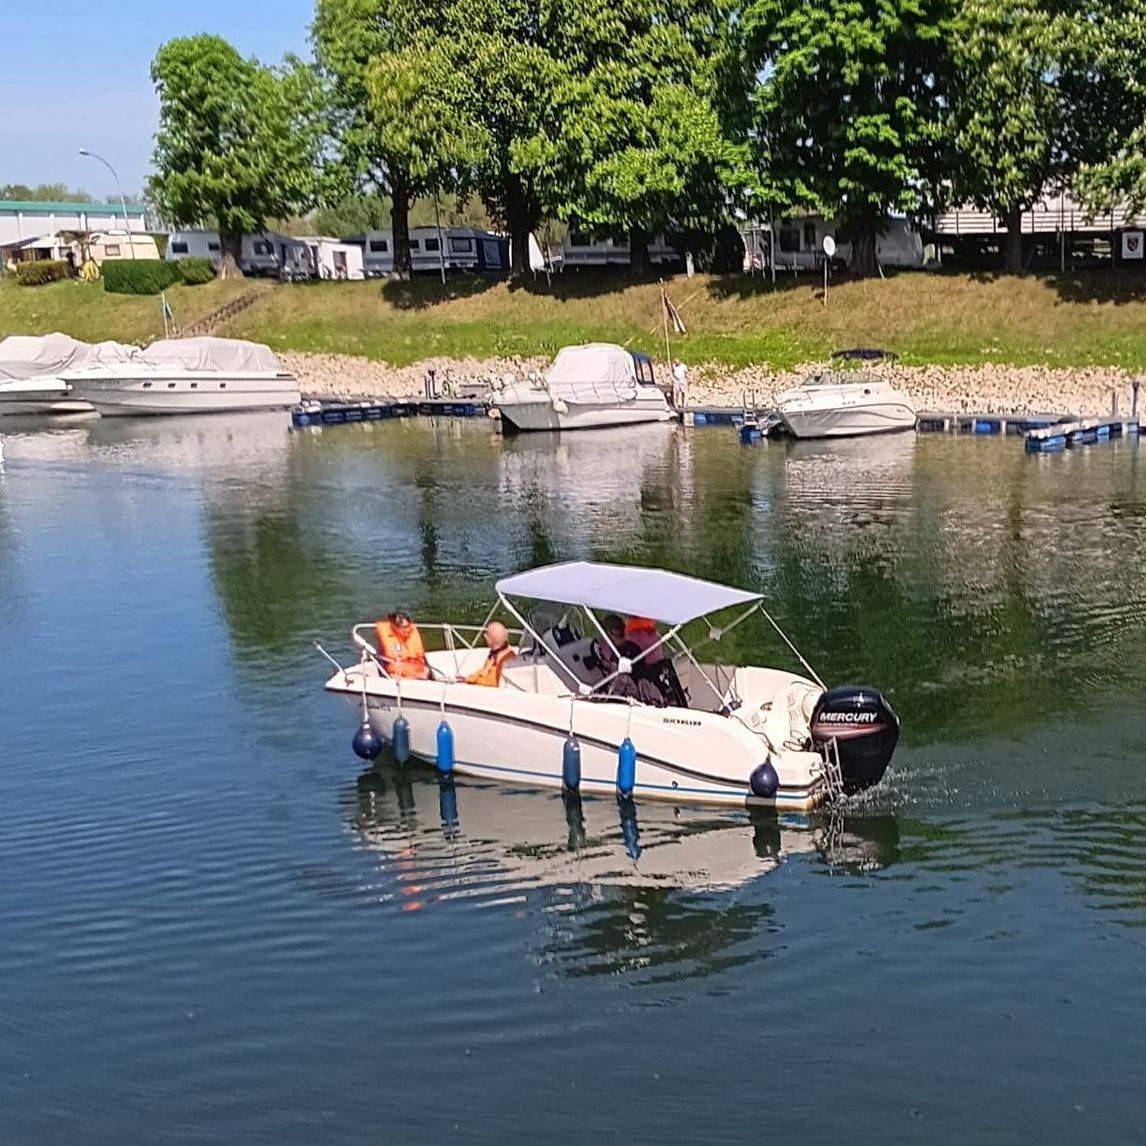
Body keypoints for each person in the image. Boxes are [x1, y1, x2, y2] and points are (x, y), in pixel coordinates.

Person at [374, 611, 429, 679]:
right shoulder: (386, 639)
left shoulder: (412, 635)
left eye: (408, 626)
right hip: (399, 678)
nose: (408, 630)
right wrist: (413, 678)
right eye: (404, 627)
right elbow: (390, 675)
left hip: (420, 674)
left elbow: (425, 663)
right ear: (395, 627)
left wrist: (424, 674)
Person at [465, 622, 515, 687]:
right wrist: (468, 678)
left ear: (491, 639)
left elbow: (492, 683)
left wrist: (476, 680)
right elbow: (483, 670)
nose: (485, 636)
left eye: (487, 634)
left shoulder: (504, 660)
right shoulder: (495, 653)